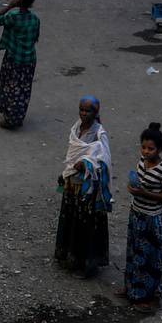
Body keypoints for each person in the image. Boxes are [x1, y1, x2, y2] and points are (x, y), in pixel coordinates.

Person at [54, 97, 113, 278]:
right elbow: (72, 154)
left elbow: (104, 162)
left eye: (87, 111)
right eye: (81, 109)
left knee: (86, 226)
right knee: (72, 220)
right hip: (73, 184)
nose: (83, 113)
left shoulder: (99, 134)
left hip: (88, 189)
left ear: (96, 113)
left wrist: (86, 164)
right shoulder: (77, 128)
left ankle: (87, 265)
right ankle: (70, 257)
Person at [122, 123, 162, 310]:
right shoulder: (141, 162)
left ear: (159, 149)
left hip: (152, 220)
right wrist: (133, 189)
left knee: (149, 258)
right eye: (143, 147)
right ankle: (130, 288)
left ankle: (146, 296)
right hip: (137, 214)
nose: (146, 152)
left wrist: (144, 193)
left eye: (150, 149)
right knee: (133, 252)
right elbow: (138, 184)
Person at [0, 0, 41, 129]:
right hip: (29, 60)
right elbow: (35, 38)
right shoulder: (35, 19)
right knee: (23, 90)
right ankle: (17, 117)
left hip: (14, 59)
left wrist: (9, 6)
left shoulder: (13, 16)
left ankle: (10, 119)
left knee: (7, 87)